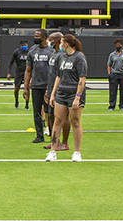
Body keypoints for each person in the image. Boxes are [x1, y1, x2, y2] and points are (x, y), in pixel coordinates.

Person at [46, 34, 87, 162]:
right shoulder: (61, 57)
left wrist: (77, 97)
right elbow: (58, 76)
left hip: (74, 93)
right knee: (57, 121)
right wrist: (52, 94)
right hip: (61, 93)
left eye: (62, 42)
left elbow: (82, 79)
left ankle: (77, 152)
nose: (60, 45)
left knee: (75, 121)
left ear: (66, 44)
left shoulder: (79, 57)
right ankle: (52, 151)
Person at [24, 30, 54, 144]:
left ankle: (52, 135)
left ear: (45, 37)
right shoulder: (32, 50)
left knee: (50, 112)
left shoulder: (51, 51)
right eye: (34, 36)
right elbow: (28, 70)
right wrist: (26, 87)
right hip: (36, 85)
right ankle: (39, 136)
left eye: (38, 36)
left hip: (48, 86)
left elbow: (54, 71)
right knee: (36, 112)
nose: (35, 38)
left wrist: (49, 88)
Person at [46, 32, 69, 150]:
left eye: (51, 39)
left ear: (57, 40)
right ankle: (54, 141)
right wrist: (48, 91)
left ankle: (64, 143)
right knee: (50, 116)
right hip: (50, 89)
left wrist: (55, 92)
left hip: (59, 91)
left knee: (62, 117)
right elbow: (51, 73)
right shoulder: (53, 54)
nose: (48, 41)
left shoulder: (62, 55)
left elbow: (60, 75)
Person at [106, 39, 123, 112]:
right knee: (112, 91)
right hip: (114, 74)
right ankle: (111, 106)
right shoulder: (112, 55)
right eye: (117, 44)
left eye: (119, 44)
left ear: (122, 45)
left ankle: (122, 106)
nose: (118, 46)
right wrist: (109, 74)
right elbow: (109, 65)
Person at [9, 42, 31, 109]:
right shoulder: (17, 52)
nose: (25, 47)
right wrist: (9, 73)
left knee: (27, 88)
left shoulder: (30, 52)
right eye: (23, 45)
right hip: (19, 72)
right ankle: (16, 102)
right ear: (21, 46)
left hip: (27, 72)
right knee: (16, 89)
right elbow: (11, 62)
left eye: (26, 45)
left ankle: (27, 105)